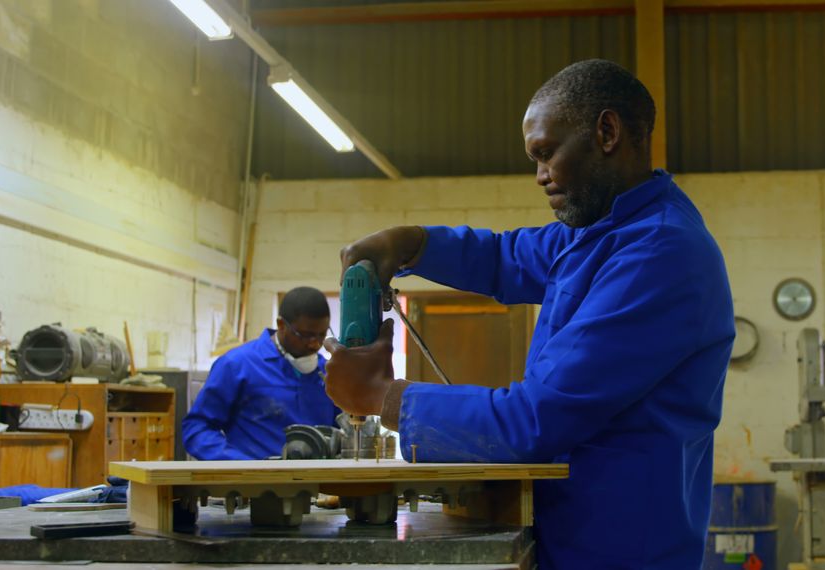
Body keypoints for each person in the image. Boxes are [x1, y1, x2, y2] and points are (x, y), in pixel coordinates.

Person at [323, 59, 735, 569]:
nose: (540, 176)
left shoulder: (658, 252)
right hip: (573, 535)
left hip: (621, 550)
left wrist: (382, 397)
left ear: (607, 132)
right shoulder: (597, 233)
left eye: (545, 154)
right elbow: (503, 258)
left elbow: (536, 420)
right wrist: (412, 243)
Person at [183, 287, 343, 460]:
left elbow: (344, 428)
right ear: (281, 325)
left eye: (321, 335)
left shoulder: (327, 372)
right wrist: (238, 464)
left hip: (317, 482)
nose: (315, 344)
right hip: (254, 482)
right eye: (305, 335)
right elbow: (197, 428)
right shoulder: (238, 366)